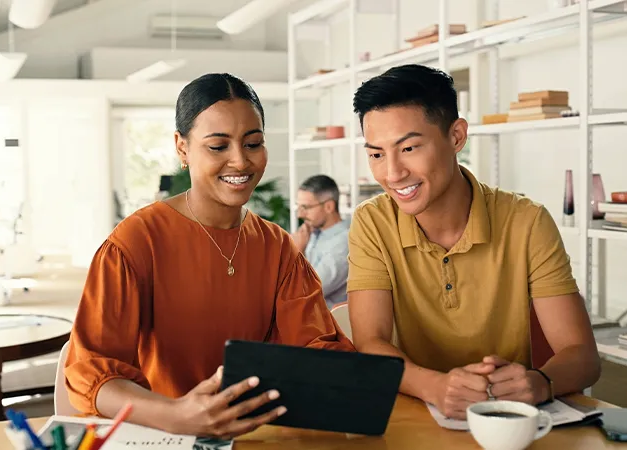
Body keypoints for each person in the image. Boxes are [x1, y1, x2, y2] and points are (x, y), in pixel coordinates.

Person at [64, 73, 354, 439]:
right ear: (182, 148)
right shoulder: (136, 242)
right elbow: (91, 371)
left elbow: (316, 348)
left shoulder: (276, 246)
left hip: (255, 435)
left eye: (253, 143)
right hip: (162, 435)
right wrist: (174, 414)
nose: (240, 161)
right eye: (218, 146)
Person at [347, 64, 600, 420]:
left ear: (456, 137)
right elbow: (371, 343)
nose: (392, 173)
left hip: (510, 419)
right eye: (376, 154)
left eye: (409, 148)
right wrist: (435, 387)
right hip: (418, 413)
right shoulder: (373, 222)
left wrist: (540, 382)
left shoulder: (526, 220)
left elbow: (583, 356)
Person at [292, 175, 350, 308]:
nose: (300, 215)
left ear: (329, 206)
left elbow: (307, 291)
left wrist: (297, 252)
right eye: (299, 207)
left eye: (306, 207)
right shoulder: (312, 232)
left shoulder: (344, 243)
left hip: (326, 324)